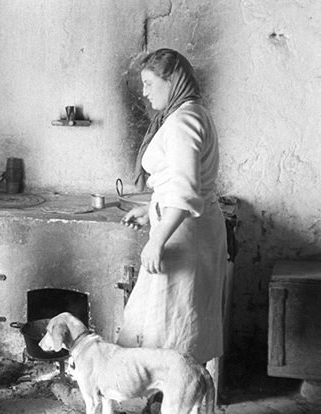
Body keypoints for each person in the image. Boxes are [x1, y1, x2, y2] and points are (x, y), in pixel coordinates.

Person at [117, 48, 228, 367]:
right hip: (188, 229)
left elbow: (184, 190)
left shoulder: (183, 121)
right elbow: (177, 182)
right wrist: (151, 209)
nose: (144, 92)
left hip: (185, 237)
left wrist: (156, 239)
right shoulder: (189, 113)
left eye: (149, 83)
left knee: (174, 328)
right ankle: (174, 386)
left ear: (172, 80)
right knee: (174, 322)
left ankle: (177, 387)